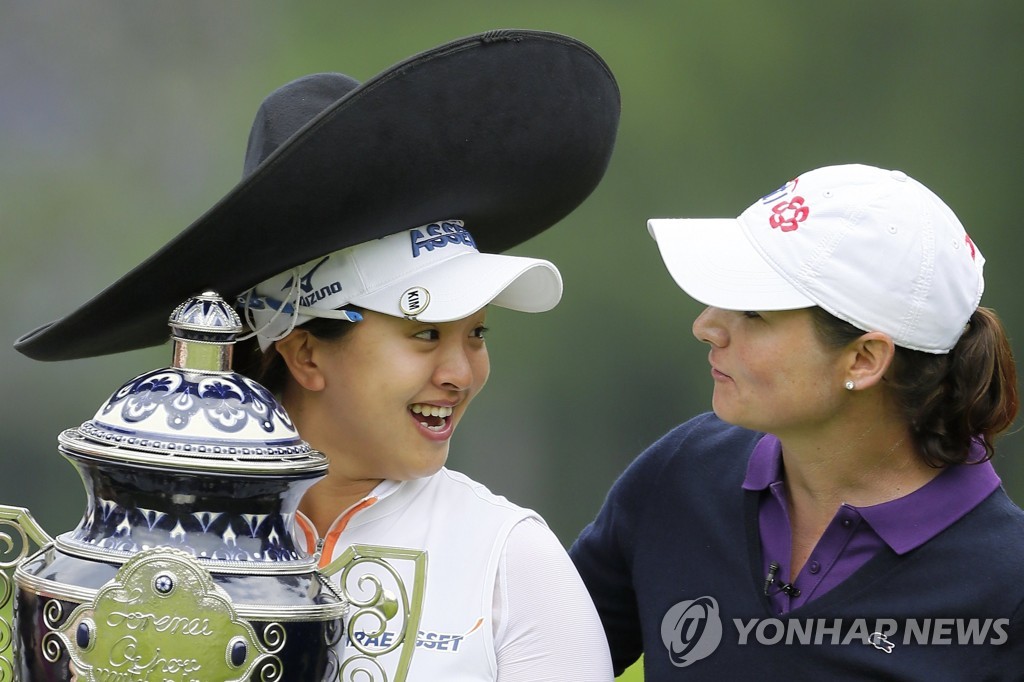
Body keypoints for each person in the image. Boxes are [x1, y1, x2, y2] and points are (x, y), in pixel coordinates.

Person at [15, 30, 620, 680]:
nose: (461, 373)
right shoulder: (147, 551)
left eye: (476, 334)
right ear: (305, 353)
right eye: (425, 334)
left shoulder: (510, 561)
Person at [570, 163, 1024, 679]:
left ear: (864, 360)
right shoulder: (683, 472)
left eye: (755, 312)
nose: (706, 326)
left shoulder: (1007, 586)